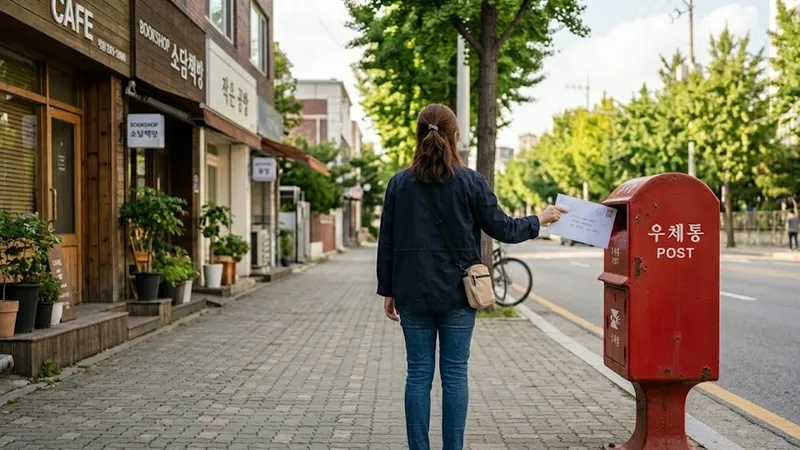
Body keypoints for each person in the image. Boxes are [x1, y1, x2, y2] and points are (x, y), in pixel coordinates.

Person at [376, 104, 566, 450]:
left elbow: (386, 241)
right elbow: (503, 228)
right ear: (455, 136)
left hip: (412, 293)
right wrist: (539, 220)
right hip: (459, 294)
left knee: (417, 375)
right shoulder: (470, 181)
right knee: (455, 375)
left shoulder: (399, 185)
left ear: (418, 135)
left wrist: (388, 289)